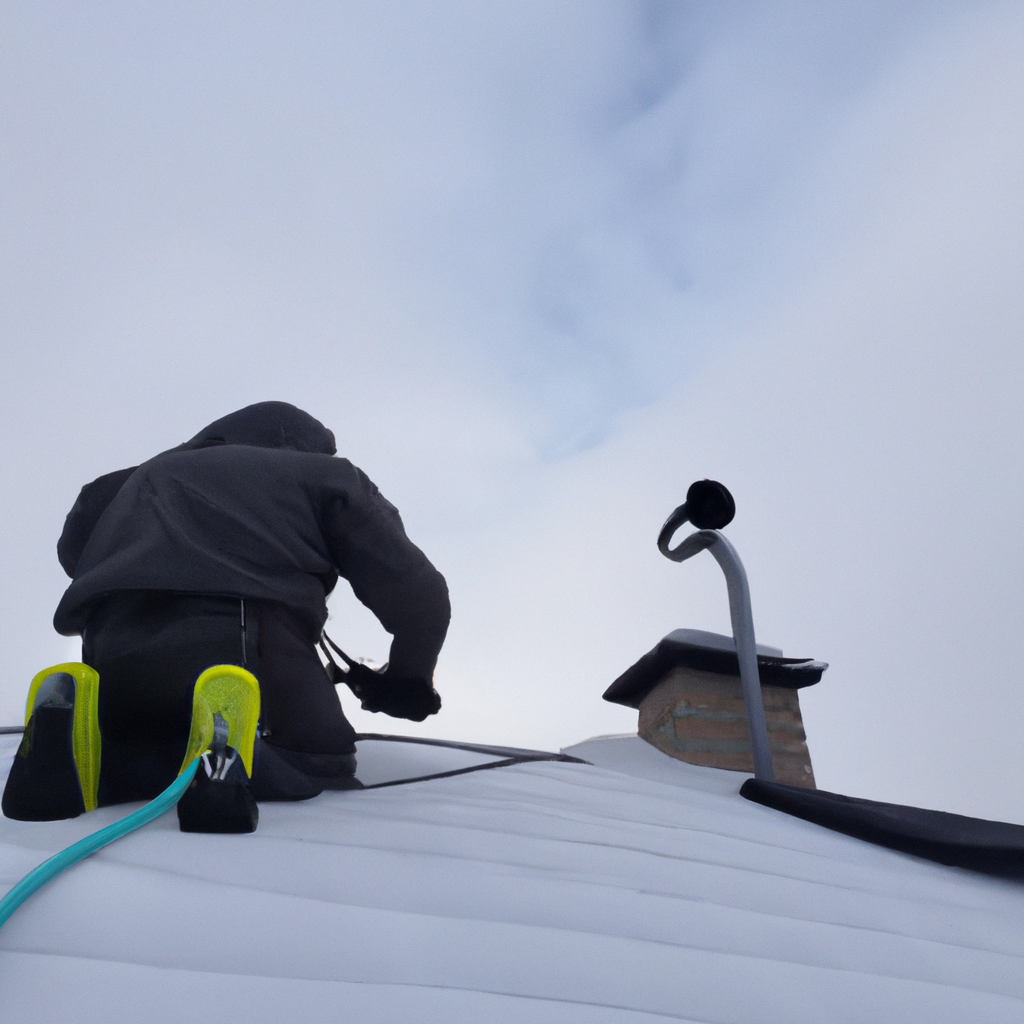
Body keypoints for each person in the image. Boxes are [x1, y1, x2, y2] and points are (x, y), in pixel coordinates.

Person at [4, 402, 450, 822]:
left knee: (129, 750)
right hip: (253, 671)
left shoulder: (117, 488)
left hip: (116, 674)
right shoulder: (323, 475)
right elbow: (420, 596)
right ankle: (225, 748)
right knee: (320, 758)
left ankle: (76, 738)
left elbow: (71, 552)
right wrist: (407, 681)